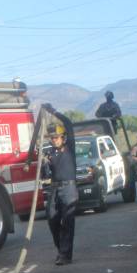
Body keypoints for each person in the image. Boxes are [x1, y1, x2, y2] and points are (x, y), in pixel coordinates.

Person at [42, 109, 78, 265]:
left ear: (63, 138)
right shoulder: (50, 153)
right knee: (52, 219)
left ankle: (65, 255)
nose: (54, 140)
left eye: (56, 138)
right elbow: (46, 173)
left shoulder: (70, 148)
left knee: (67, 222)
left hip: (69, 190)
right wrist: (45, 163)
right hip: (54, 189)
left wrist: (53, 111)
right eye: (52, 138)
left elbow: (68, 124)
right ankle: (60, 250)